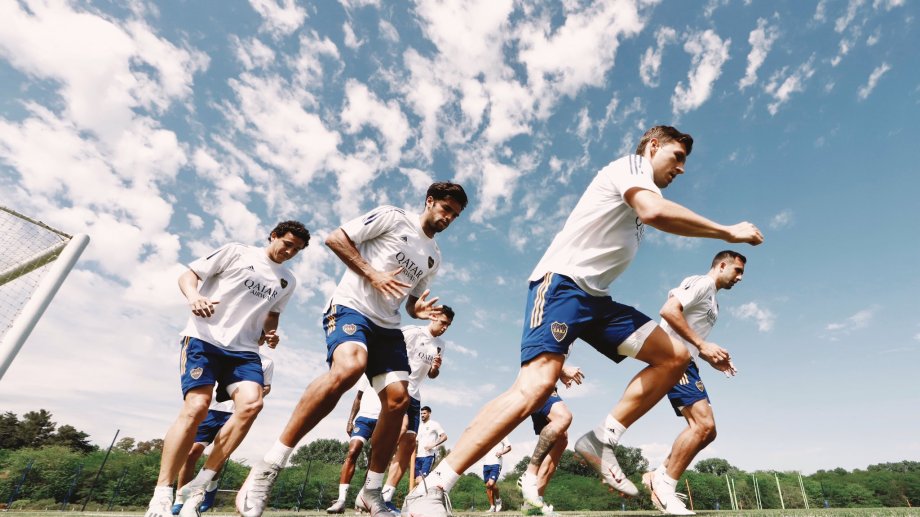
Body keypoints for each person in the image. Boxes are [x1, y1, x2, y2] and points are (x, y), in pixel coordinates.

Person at [403, 126, 763, 516]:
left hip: (597, 301)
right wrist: (727, 232)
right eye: (677, 157)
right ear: (653, 146)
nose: (681, 169)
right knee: (535, 388)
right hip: (561, 286)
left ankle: (602, 439)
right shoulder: (631, 167)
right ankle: (432, 486)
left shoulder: (642, 189)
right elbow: (654, 212)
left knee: (674, 357)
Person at [236, 182, 468, 517]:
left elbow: (412, 301)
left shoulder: (434, 257)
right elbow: (336, 239)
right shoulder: (393, 217)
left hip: (387, 325)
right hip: (351, 307)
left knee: (399, 400)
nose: (448, 218)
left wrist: (417, 310)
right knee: (349, 368)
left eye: (455, 216)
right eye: (446, 209)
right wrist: (372, 274)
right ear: (430, 201)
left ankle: (370, 492)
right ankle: (269, 467)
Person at [143, 221, 310, 517]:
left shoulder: (287, 281)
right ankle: (161, 493)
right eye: (287, 244)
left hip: (244, 351)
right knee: (197, 407)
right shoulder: (237, 252)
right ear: (273, 236)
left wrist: (270, 333)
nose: (289, 252)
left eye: (296, 250)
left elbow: (272, 315)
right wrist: (195, 297)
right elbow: (188, 275)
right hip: (204, 339)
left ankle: (200, 484)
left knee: (252, 405)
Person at [640, 251, 747, 516]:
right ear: (722, 265)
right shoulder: (702, 283)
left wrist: (708, 356)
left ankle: (658, 476)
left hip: (689, 362)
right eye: (737, 270)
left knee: (707, 432)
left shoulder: (714, 302)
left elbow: (692, 334)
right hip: (673, 357)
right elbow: (668, 311)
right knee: (703, 425)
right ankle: (665, 487)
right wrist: (702, 345)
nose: (740, 278)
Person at [172, 352, 275, 515]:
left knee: (219, 453)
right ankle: (180, 498)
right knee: (192, 453)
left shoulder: (266, 362)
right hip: (210, 410)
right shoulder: (220, 350)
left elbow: (267, 386)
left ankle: (210, 489)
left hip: (235, 412)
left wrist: (251, 393)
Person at [380, 309, 455, 512]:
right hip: (399, 387)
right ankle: (373, 483)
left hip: (415, 395)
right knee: (399, 432)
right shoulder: (413, 332)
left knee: (409, 443)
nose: (445, 327)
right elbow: (388, 347)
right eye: (443, 322)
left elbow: (432, 375)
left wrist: (435, 368)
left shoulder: (440, 345)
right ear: (433, 317)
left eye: (448, 325)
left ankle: (386, 496)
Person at [518, 365, 584, 515]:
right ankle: (528, 476)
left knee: (561, 439)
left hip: (544, 384)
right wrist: (562, 369)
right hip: (538, 384)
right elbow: (540, 356)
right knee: (563, 417)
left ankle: (533, 503)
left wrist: (559, 375)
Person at [327, 375, 382, 513]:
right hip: (363, 419)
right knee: (352, 452)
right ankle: (341, 500)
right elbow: (358, 398)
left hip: (381, 419)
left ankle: (366, 498)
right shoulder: (366, 374)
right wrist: (350, 420)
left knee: (373, 461)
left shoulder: (393, 373)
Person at [482, 438, 511, 512]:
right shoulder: (487, 436)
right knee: (488, 486)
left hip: (496, 463)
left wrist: (501, 452)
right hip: (486, 464)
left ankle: (498, 500)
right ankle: (492, 506)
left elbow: (509, 447)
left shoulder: (503, 436)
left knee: (491, 483)